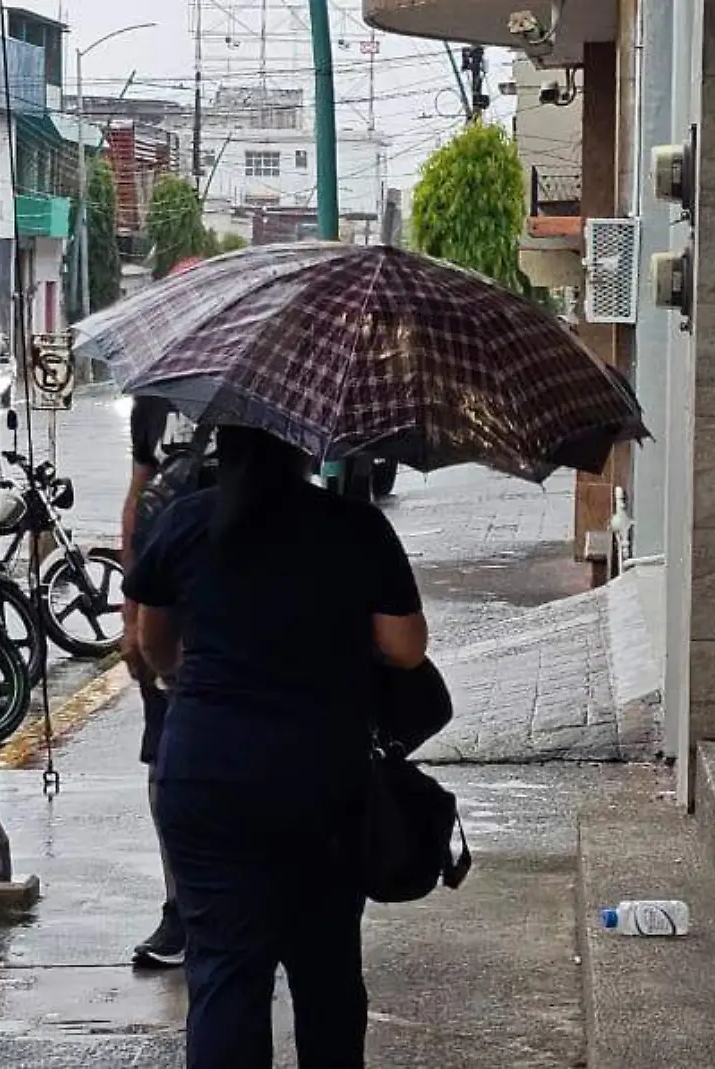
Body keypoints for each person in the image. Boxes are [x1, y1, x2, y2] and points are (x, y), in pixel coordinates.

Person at [124, 425, 429, 1069]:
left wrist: (198, 674)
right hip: (322, 777)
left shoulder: (187, 522)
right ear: (303, 448)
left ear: (222, 446)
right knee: (326, 969)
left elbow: (152, 645)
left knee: (226, 972)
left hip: (206, 773)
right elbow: (405, 648)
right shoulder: (354, 526)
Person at [122, 394, 216, 968]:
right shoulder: (156, 401)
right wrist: (130, 613)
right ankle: (179, 906)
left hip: (237, 602)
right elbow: (137, 502)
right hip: (167, 604)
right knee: (167, 763)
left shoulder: (277, 389)